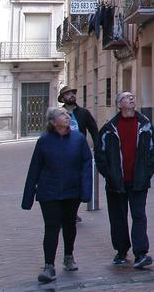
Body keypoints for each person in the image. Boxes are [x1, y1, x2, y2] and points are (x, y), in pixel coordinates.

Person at [21, 108, 92, 284]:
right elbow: (35, 168)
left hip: (71, 190)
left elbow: (87, 164)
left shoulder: (79, 139)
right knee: (51, 227)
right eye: (62, 115)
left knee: (69, 225)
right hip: (49, 191)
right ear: (52, 122)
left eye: (67, 115)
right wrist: (28, 197)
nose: (67, 116)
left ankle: (68, 255)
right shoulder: (44, 141)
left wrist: (86, 191)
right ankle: (49, 265)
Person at [96, 92, 154, 270]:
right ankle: (121, 251)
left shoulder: (145, 125)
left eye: (133, 97)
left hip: (138, 181)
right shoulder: (109, 128)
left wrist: (147, 173)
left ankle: (141, 253)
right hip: (116, 182)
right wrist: (109, 174)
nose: (131, 99)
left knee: (139, 216)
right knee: (118, 218)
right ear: (119, 104)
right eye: (126, 97)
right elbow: (100, 154)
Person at [58, 86, 97, 224]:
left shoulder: (83, 113)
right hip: (62, 154)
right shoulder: (58, 114)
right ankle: (64, 212)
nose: (71, 96)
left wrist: (98, 148)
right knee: (64, 183)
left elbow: (94, 130)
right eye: (68, 94)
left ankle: (72, 212)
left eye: (73, 93)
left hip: (79, 153)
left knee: (79, 183)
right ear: (62, 98)